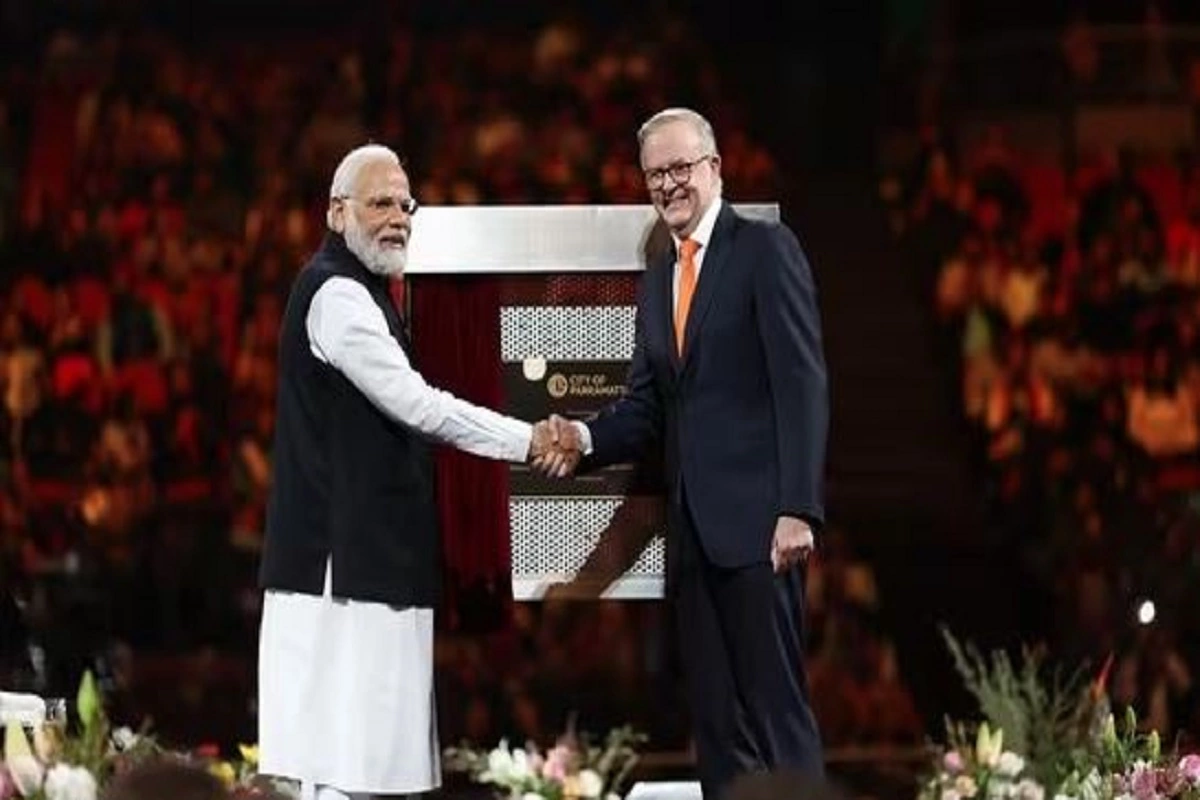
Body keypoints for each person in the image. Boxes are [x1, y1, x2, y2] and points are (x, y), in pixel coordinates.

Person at [537, 108, 828, 798]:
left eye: (681, 168)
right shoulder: (658, 275)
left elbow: (803, 381)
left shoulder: (764, 249)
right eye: (655, 174)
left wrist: (797, 507)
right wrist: (581, 437)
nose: (669, 184)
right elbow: (646, 405)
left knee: (776, 712)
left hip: (761, 532)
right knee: (717, 724)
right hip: (693, 539)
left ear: (715, 169)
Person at [256, 144, 561, 800]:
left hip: (375, 567)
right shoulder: (337, 295)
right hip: (341, 576)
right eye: (379, 203)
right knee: (339, 774)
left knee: (369, 774)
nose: (397, 216)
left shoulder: (369, 293)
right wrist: (529, 440)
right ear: (336, 213)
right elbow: (417, 405)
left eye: (404, 204)